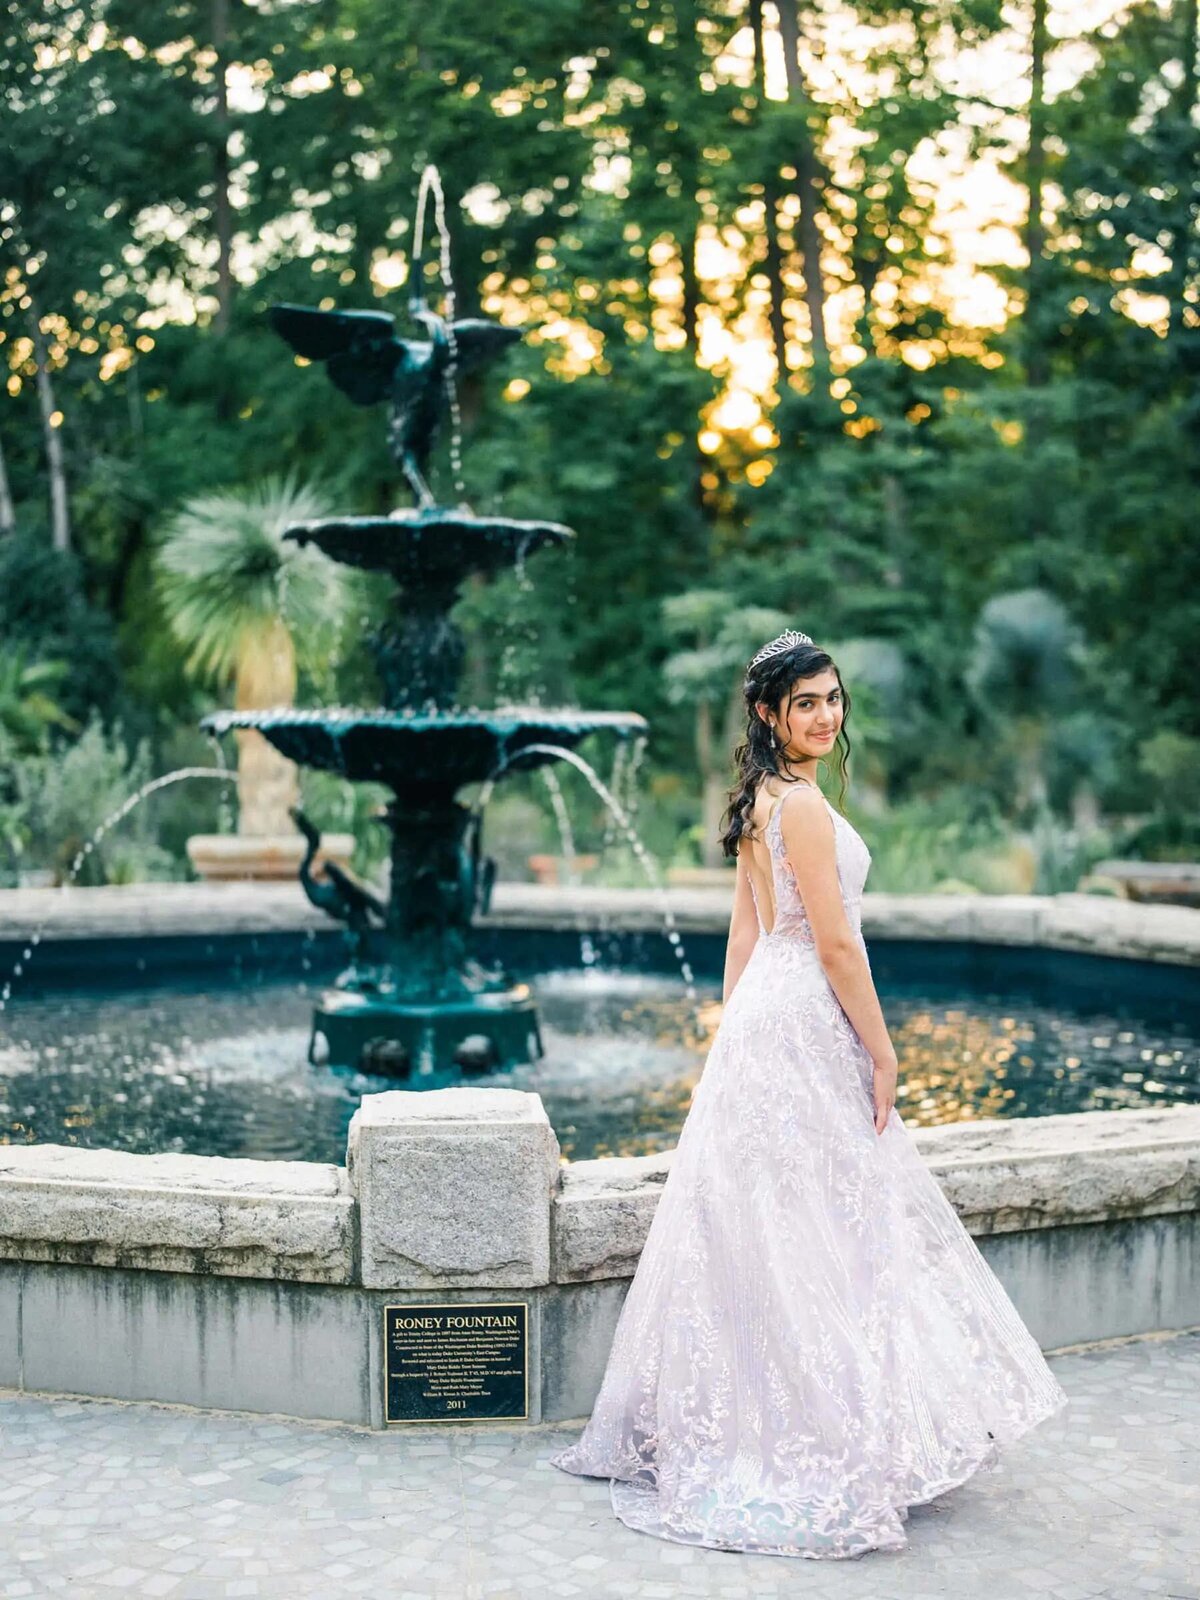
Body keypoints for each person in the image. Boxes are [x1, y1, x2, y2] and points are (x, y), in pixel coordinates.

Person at [550, 629, 1068, 1559]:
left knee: (782, 1228)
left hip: (765, 1020)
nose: (826, 715)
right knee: (824, 1227)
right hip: (804, 1017)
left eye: (832, 699)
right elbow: (835, 946)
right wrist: (884, 1053)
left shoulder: (760, 799)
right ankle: (821, 1435)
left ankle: (801, 1417)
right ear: (769, 713)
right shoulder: (803, 812)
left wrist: (729, 1035)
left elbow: (744, 938)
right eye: (807, 703)